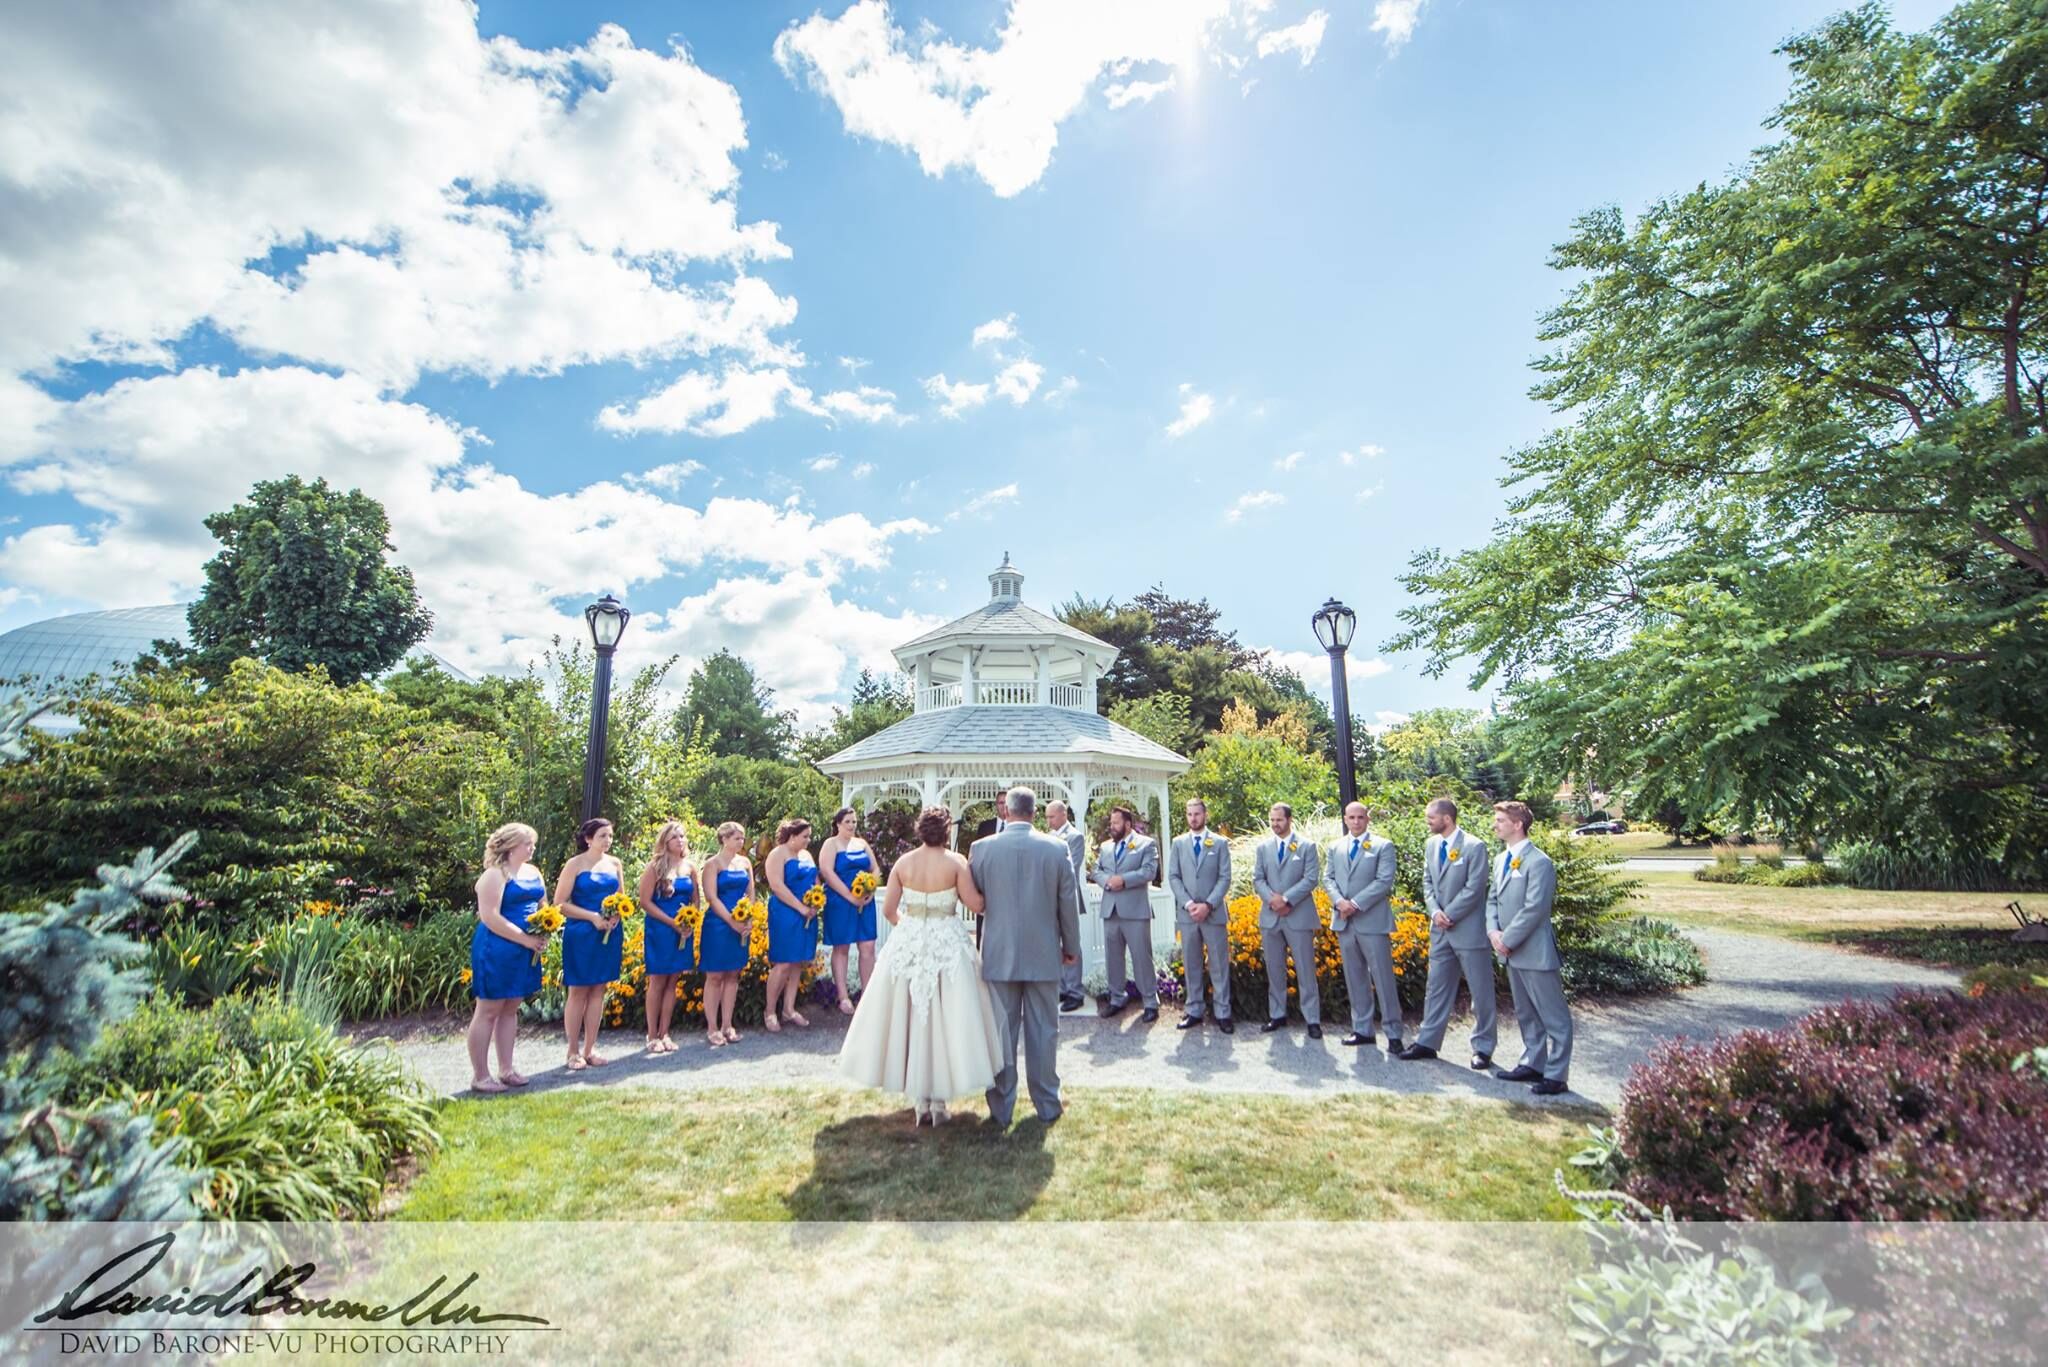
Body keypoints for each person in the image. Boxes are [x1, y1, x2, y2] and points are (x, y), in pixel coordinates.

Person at [837, 806, 1000, 1127]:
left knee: (908, 1017)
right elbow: (977, 904)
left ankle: (921, 1101)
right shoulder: (956, 863)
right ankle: (938, 1102)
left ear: (920, 830)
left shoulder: (904, 863)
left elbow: (888, 910)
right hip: (947, 943)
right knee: (948, 1016)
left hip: (909, 942)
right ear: (947, 832)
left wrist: (910, 929)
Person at [970, 787, 1082, 1128]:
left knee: (1001, 1031)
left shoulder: (981, 849)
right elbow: (1067, 903)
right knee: (1045, 1030)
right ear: (1034, 813)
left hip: (998, 951)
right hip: (1043, 949)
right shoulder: (1056, 847)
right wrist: (1071, 947)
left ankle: (1001, 1108)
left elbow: (974, 900)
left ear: (1006, 812)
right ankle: (1047, 1103)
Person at [1398, 798, 1498, 1069]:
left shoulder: (1474, 847)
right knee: (1436, 988)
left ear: (1447, 818)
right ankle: (1427, 1042)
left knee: (1481, 991)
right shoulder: (1431, 845)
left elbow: (1474, 887)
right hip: (1440, 930)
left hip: (1467, 930)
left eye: (1431, 818)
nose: (1427, 822)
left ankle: (1483, 1047)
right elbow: (1427, 882)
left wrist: (1450, 914)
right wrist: (1435, 912)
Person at [1486, 801, 1572, 1095]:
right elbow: (1492, 900)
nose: (1495, 825)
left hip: (1534, 951)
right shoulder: (1500, 860)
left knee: (1554, 1017)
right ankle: (1533, 1063)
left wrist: (1506, 940)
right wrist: (1493, 932)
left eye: (1499, 820)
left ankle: (1557, 1074)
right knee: (1525, 1013)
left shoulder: (1539, 862)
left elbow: (1535, 908)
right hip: (1509, 950)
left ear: (1517, 824)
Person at [467, 821, 547, 1091]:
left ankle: (507, 1069)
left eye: (532, 843)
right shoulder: (494, 874)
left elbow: (542, 905)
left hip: (526, 948)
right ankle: (480, 1075)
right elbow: (489, 916)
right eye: (527, 843)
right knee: (488, 1009)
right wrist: (525, 938)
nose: (532, 847)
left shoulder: (533, 872)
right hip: (497, 946)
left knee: (511, 1007)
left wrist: (545, 927)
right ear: (511, 846)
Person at [1323, 801, 1402, 1052]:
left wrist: (1355, 903)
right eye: (1351, 817)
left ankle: (1394, 1033)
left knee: (1383, 978)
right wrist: (1339, 902)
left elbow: (1383, 882)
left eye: (1360, 817)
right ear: (1345, 819)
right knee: (1355, 977)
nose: (1356, 822)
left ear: (1367, 819)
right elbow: (1328, 878)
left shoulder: (1382, 846)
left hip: (1372, 921)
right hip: (1345, 922)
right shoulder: (1335, 847)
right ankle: (1362, 1029)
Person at [554, 817, 624, 1070]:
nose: (608, 841)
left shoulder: (615, 863)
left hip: (609, 932)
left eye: (610, 836)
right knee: (578, 990)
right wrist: (592, 917)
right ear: (588, 839)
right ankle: (572, 1051)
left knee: (599, 990)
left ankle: (590, 1048)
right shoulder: (575, 864)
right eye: (602, 836)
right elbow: (560, 904)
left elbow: (620, 898)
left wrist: (616, 916)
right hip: (582, 932)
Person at [1254, 802, 1324, 1039]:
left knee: (1305, 969)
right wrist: (1272, 900)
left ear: (1289, 820)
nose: (1275, 824)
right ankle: (1277, 1014)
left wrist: (1286, 899)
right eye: (1272, 820)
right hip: (1271, 917)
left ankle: (1312, 1019)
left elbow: (1311, 878)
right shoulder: (1263, 848)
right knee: (1275, 969)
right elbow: (1258, 879)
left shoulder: (1306, 846)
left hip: (1298, 916)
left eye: (1279, 820)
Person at [1168, 797, 1234, 1032]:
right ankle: (1194, 1009)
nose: (1193, 818)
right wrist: (1188, 904)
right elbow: (1173, 876)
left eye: (1197, 813)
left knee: (1218, 964)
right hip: (1188, 915)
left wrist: (1207, 904)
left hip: (1213, 914)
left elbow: (1225, 877)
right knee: (1191, 963)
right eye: (1189, 814)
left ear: (1205, 815)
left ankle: (1223, 1012)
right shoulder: (1178, 843)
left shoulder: (1219, 844)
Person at [1094, 804, 1160, 1022]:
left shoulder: (1145, 844)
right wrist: (1108, 881)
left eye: (1116, 823)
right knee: (1113, 957)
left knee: (1141, 957)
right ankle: (1116, 998)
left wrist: (1124, 880)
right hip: (1110, 909)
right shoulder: (1104, 847)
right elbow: (1096, 870)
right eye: (1110, 823)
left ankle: (1150, 1001)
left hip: (1135, 910)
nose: (1111, 827)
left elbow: (1149, 871)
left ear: (1128, 824)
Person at [637, 820, 697, 1054]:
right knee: (658, 981)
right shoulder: (655, 867)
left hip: (683, 930)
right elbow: (645, 901)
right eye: (675, 837)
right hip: (661, 928)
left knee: (673, 980)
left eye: (682, 836)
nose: (680, 840)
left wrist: (690, 921)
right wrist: (671, 922)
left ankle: (665, 1032)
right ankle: (652, 1035)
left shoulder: (690, 867)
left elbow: (695, 899)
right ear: (665, 841)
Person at [699, 821, 755, 1047]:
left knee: (733, 974)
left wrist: (748, 917)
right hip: (718, 923)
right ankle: (712, 1027)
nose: (741, 842)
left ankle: (727, 1024)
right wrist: (731, 921)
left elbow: (750, 893)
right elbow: (712, 897)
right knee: (715, 976)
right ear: (724, 839)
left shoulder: (745, 862)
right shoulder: (713, 864)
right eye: (736, 838)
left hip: (741, 922)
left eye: (742, 838)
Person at [817, 807, 878, 1014]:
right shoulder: (831, 844)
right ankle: (843, 997)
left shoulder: (861, 844)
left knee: (868, 946)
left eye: (854, 822)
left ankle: (867, 994)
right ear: (838, 824)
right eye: (848, 822)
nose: (852, 825)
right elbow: (827, 872)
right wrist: (850, 896)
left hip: (865, 901)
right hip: (840, 901)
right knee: (842, 947)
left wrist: (870, 888)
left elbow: (875, 869)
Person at [763, 818, 821, 1031]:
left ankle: (789, 1008)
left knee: (798, 961)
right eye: (805, 836)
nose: (808, 840)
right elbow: (777, 886)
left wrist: (816, 901)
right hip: (786, 911)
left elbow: (815, 881)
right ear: (792, 835)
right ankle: (769, 1011)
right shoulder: (778, 854)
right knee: (784, 962)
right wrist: (800, 907)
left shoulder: (806, 855)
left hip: (807, 911)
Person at [1046, 800, 1089, 1012]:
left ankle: (1075, 991)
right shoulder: (1048, 837)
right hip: (1049, 899)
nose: (1048, 821)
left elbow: (1072, 868)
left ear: (1063, 815)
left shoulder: (1075, 836)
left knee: (1071, 942)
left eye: (1051, 817)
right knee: (1054, 942)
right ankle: (1062, 987)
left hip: (1067, 897)